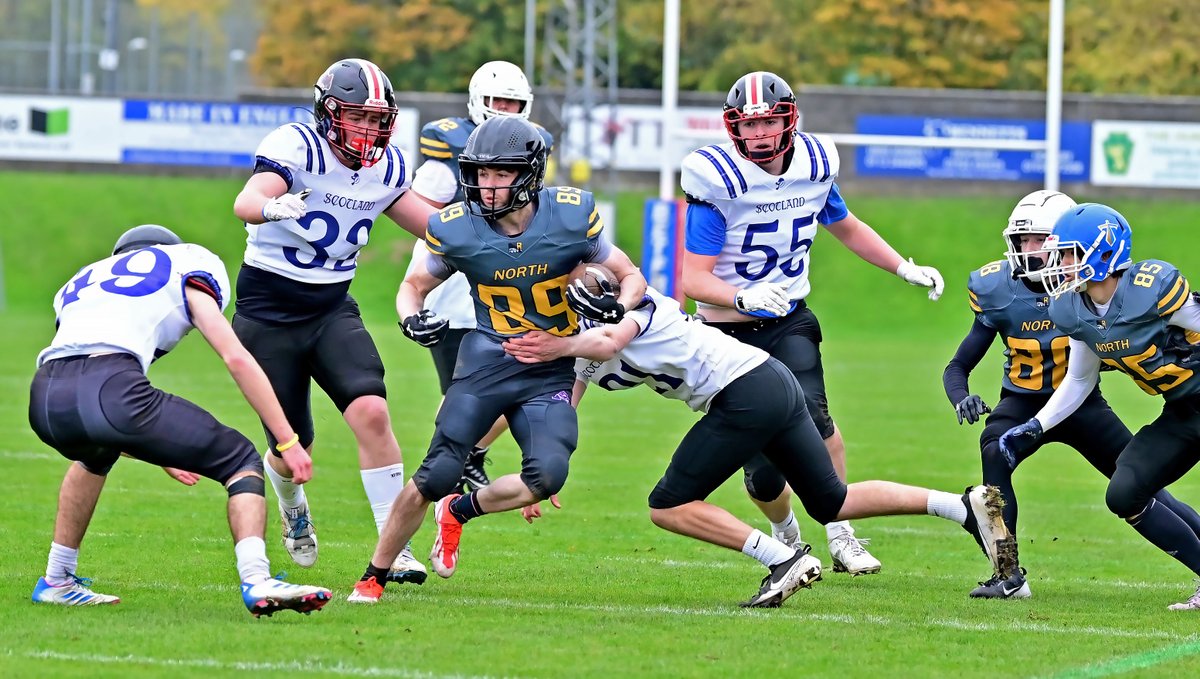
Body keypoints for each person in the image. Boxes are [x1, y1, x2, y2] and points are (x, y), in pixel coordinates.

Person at [502, 286, 1010, 607]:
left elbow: (607, 343)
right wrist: (545, 467)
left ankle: (784, 559)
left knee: (667, 505)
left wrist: (563, 343)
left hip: (744, 392)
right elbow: (566, 399)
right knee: (832, 499)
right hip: (770, 382)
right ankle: (960, 506)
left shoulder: (638, 312)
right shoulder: (580, 346)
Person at [346, 115, 647, 603]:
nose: (487, 185)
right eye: (481, 173)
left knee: (548, 475)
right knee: (436, 472)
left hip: (549, 367)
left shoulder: (569, 216)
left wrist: (619, 306)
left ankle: (459, 511)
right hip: (487, 359)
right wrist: (410, 316)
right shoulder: (457, 227)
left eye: (500, 173)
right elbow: (413, 285)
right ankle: (373, 575)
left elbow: (629, 275)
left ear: (528, 172)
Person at [680, 71, 945, 575]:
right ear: (731, 126)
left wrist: (901, 265)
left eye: (768, 122)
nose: (758, 135)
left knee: (817, 419)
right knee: (761, 472)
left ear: (790, 119)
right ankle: (786, 534)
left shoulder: (816, 162)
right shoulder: (716, 177)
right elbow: (693, 278)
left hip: (787, 321)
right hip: (724, 331)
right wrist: (743, 294)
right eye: (748, 125)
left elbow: (844, 224)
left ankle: (841, 533)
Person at [28, 225, 331, 617]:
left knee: (95, 455)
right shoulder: (185, 264)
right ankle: (258, 579)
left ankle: (57, 579)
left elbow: (82, 379)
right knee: (240, 459)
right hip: (110, 391)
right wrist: (287, 440)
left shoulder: (84, 282)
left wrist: (153, 445)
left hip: (45, 396)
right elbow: (235, 356)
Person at [231, 58, 435, 584]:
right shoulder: (297, 144)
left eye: (377, 118)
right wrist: (272, 209)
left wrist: (496, 240)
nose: (369, 129)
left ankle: (397, 545)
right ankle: (291, 501)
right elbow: (247, 200)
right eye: (358, 117)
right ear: (327, 113)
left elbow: (433, 227)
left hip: (330, 306)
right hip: (268, 310)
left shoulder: (386, 166)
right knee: (292, 443)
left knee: (372, 411)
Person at [945, 192, 1200, 599]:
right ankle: (1007, 573)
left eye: (1060, 251)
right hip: (1164, 411)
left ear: (1095, 253)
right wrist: (1029, 424)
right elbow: (1077, 380)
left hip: (1114, 407)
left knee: (1149, 491)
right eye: (1029, 243)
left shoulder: (1147, 291)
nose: (1048, 259)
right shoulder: (1068, 307)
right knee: (1123, 490)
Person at [406, 60, 556, 492]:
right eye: (499, 102)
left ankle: (466, 455)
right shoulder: (446, 149)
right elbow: (422, 216)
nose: (507, 111)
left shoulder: (531, 147)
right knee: (462, 393)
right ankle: (444, 469)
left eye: (514, 103)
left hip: (508, 286)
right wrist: (469, 242)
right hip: (454, 289)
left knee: (518, 378)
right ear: (477, 101)